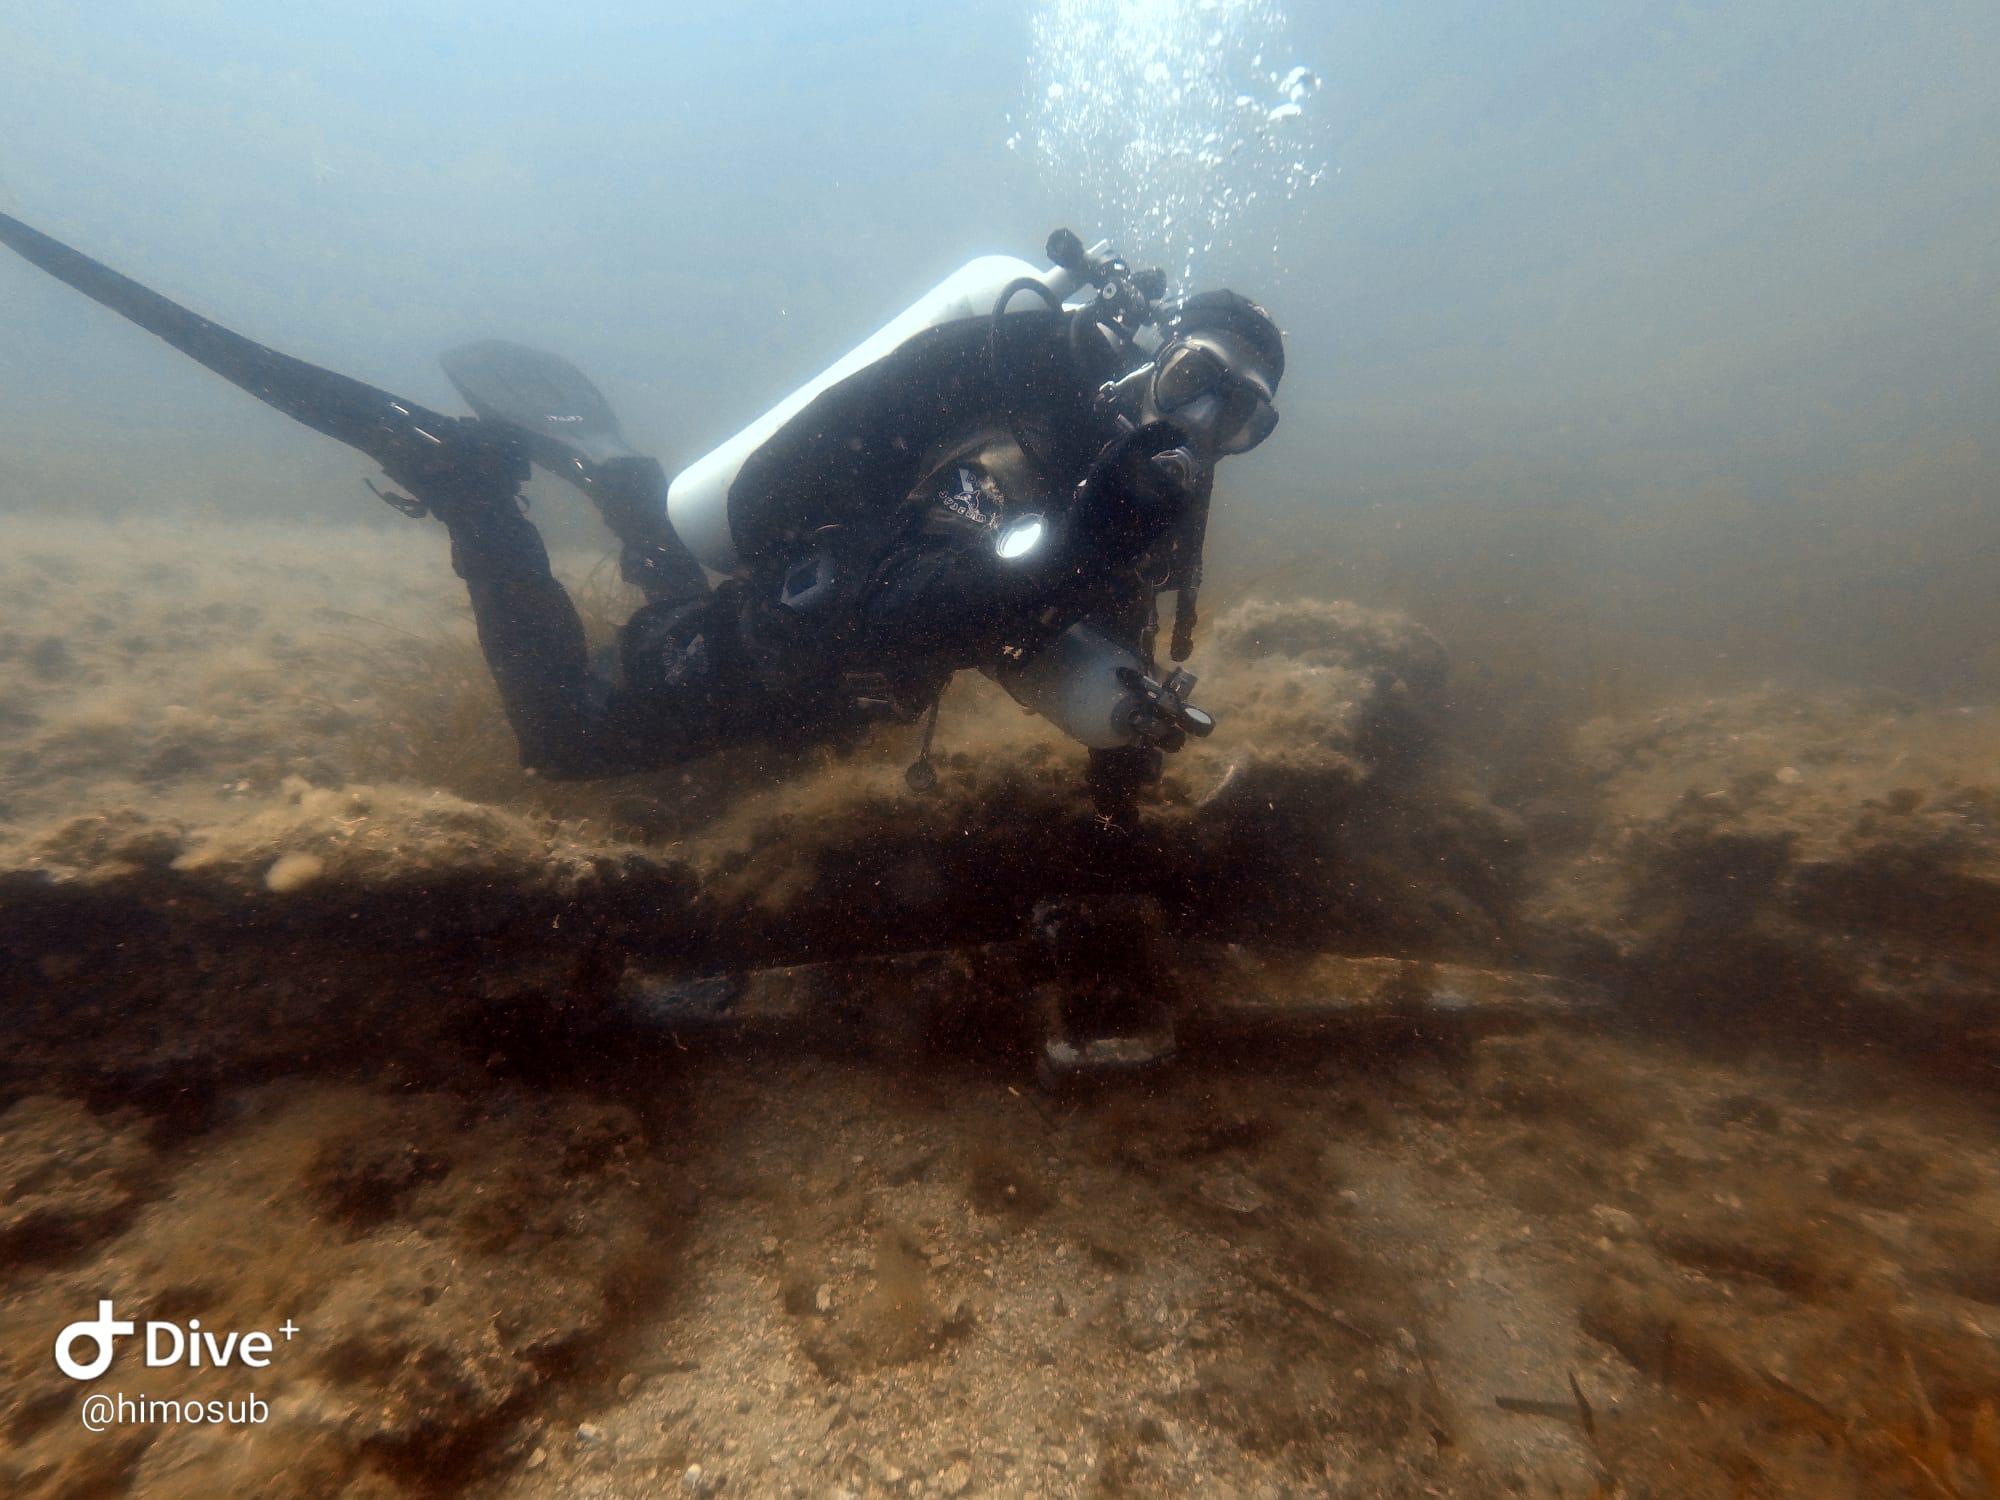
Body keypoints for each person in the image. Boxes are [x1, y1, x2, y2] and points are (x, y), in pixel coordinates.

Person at [0, 213, 1282, 817]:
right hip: (827, 600)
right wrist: (1065, 552)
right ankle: (466, 487)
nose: (1210, 426)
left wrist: (1125, 736)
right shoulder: (1039, 381)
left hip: (849, 607)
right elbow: (959, 585)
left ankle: (619, 480)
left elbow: (1061, 630)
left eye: (1245, 418)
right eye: (1199, 385)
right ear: (1156, 354)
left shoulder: (1134, 496)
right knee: (569, 735)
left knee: (752, 670)